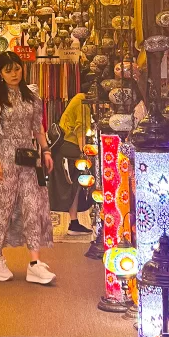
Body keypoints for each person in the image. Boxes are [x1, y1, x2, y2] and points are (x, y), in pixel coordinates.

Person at [0, 51, 56, 284]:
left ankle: (34, 263)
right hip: (4, 156)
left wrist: (46, 149)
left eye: (17, 68)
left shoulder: (31, 94)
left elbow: (37, 126)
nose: (13, 74)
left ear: (22, 68)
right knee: (1, 207)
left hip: (28, 157)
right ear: (0, 73)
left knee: (33, 204)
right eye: (8, 70)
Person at [48, 75, 94, 235]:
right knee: (78, 183)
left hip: (66, 149)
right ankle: (74, 223)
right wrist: (84, 152)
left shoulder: (78, 98)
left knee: (74, 187)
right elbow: (80, 129)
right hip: (71, 148)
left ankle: (74, 223)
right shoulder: (83, 101)